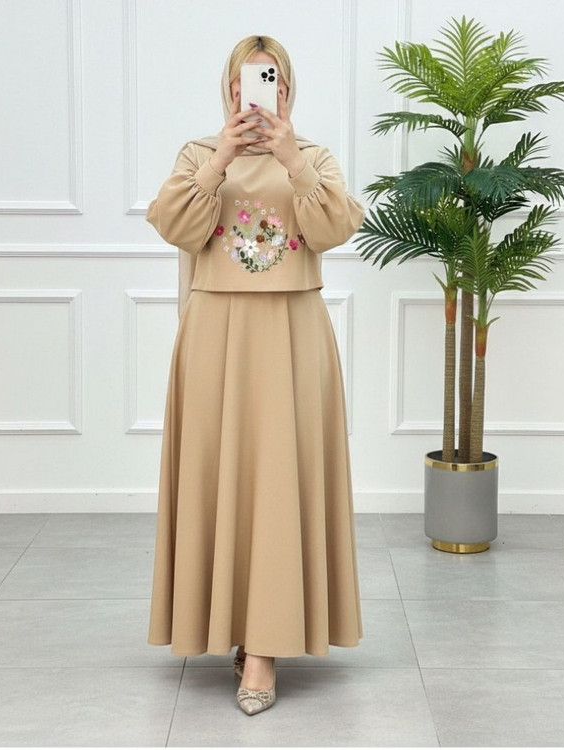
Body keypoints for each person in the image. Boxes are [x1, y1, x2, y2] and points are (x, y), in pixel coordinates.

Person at [145, 34, 364, 716]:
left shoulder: (314, 158)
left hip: (292, 334)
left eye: (272, 82)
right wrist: (222, 158)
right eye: (248, 83)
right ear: (230, 89)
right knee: (223, 480)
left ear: (287, 90)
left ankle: (265, 648)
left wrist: (291, 157)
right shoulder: (198, 155)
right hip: (216, 333)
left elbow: (334, 228)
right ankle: (230, 629)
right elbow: (174, 224)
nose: (260, 96)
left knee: (279, 483)